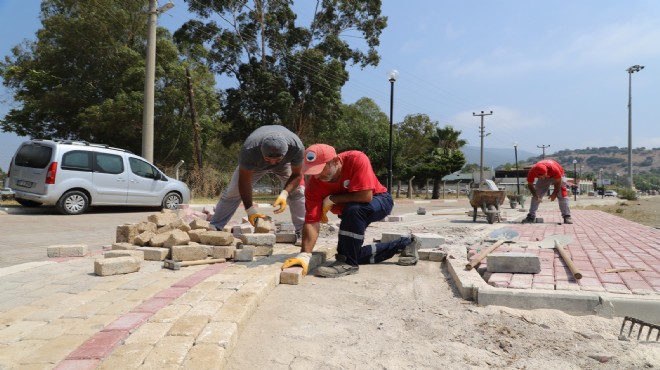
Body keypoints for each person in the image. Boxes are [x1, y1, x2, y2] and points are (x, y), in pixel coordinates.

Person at [281, 144, 420, 278]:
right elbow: (312, 221)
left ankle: (347, 263)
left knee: (353, 210)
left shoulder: (356, 159)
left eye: (320, 170)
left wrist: (331, 199)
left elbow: (365, 196)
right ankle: (405, 243)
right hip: (351, 213)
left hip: (380, 200)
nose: (316, 177)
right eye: (312, 172)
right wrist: (305, 255)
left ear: (335, 162)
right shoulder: (314, 185)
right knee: (353, 253)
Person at [209, 125, 305, 236]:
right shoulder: (249, 149)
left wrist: (284, 193)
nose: (272, 163)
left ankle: (303, 231)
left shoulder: (297, 147)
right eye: (268, 159)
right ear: (261, 151)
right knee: (233, 191)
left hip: (284, 164)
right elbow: (244, 182)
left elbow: (297, 175)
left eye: (277, 159)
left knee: (297, 191)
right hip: (256, 165)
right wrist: (250, 210)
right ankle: (215, 227)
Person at [522, 159, 573, 224]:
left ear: (546, 171)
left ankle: (567, 216)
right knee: (537, 194)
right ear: (536, 174)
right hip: (547, 175)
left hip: (558, 176)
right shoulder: (532, 172)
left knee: (562, 195)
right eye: (540, 176)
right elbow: (530, 185)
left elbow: (558, 182)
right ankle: (531, 216)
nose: (542, 178)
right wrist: (535, 195)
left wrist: (554, 193)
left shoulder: (554, 169)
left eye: (543, 175)